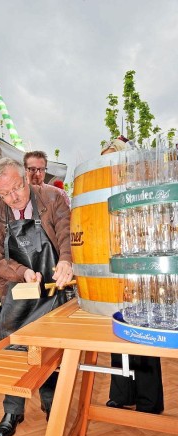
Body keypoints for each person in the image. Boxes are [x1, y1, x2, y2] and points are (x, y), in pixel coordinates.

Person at [0, 157, 72, 436]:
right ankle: (12, 410)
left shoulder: (52, 197)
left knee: (50, 352)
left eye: (17, 189)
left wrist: (67, 260)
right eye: (5, 194)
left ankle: (51, 405)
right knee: (12, 350)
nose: (14, 198)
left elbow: (67, 233)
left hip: (54, 288)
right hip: (18, 292)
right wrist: (21, 271)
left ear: (26, 178)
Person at [101, 136, 164, 414]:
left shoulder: (143, 187)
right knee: (120, 332)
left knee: (144, 330)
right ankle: (122, 394)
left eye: (113, 156)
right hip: (114, 271)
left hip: (143, 270)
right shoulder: (104, 191)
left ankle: (149, 401)